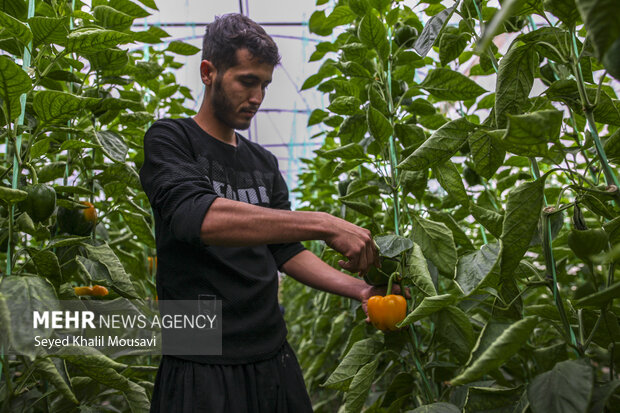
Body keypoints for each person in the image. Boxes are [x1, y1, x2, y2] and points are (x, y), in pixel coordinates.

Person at [139, 13, 393, 413]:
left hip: (270, 350)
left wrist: (362, 290)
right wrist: (323, 223)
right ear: (209, 72)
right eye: (247, 81)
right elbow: (195, 217)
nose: (257, 96)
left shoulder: (263, 162)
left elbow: (286, 252)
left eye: (264, 84)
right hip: (199, 356)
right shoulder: (171, 139)